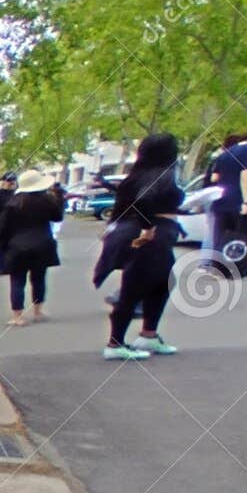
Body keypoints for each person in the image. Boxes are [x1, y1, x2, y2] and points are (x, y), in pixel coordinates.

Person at [92, 133, 183, 359]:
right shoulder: (164, 175)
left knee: (161, 283)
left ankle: (148, 335)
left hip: (140, 233)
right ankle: (115, 344)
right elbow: (144, 200)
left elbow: (124, 206)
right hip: (152, 236)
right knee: (135, 288)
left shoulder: (136, 177)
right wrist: (148, 227)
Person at [0, 170, 64, 326]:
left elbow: (3, 229)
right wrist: (59, 198)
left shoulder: (13, 203)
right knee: (39, 279)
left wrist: (2, 248)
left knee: (17, 281)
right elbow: (57, 217)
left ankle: (17, 316)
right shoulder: (47, 200)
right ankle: (38, 311)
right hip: (43, 244)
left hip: (17, 246)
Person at [205, 132, 247, 270]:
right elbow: (246, 174)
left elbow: (214, 178)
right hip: (240, 200)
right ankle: (240, 267)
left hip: (221, 201)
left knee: (221, 236)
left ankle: (219, 267)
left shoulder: (227, 152)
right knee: (246, 236)